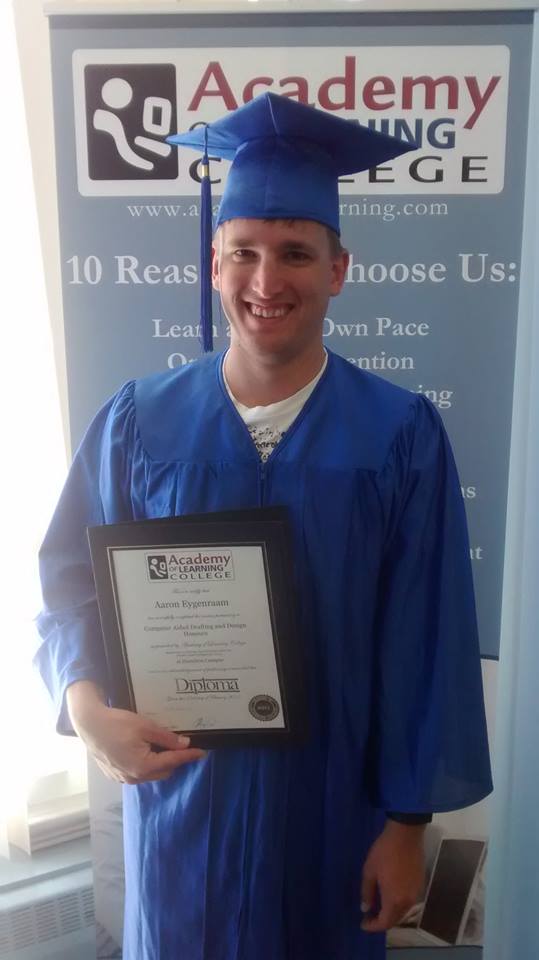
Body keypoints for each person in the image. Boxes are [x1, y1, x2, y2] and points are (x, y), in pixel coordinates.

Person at [35, 93, 492, 960]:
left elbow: (424, 636)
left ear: (337, 270)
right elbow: (69, 581)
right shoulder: (139, 421)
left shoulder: (396, 435)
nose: (265, 281)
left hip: (332, 808)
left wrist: (406, 824)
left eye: (294, 253)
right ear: (213, 266)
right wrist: (83, 702)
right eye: (241, 253)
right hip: (184, 801)